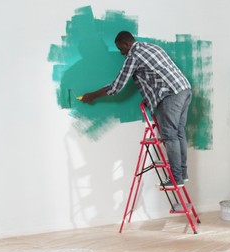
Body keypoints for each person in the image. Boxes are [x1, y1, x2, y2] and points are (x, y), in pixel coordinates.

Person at [80, 31, 192, 187]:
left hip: (170, 95)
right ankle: (182, 174)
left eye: (121, 49)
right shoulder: (152, 46)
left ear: (126, 44)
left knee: (170, 135)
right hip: (184, 89)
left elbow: (116, 87)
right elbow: (155, 74)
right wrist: (150, 96)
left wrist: (92, 95)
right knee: (179, 133)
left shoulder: (133, 56)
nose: (121, 53)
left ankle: (176, 178)